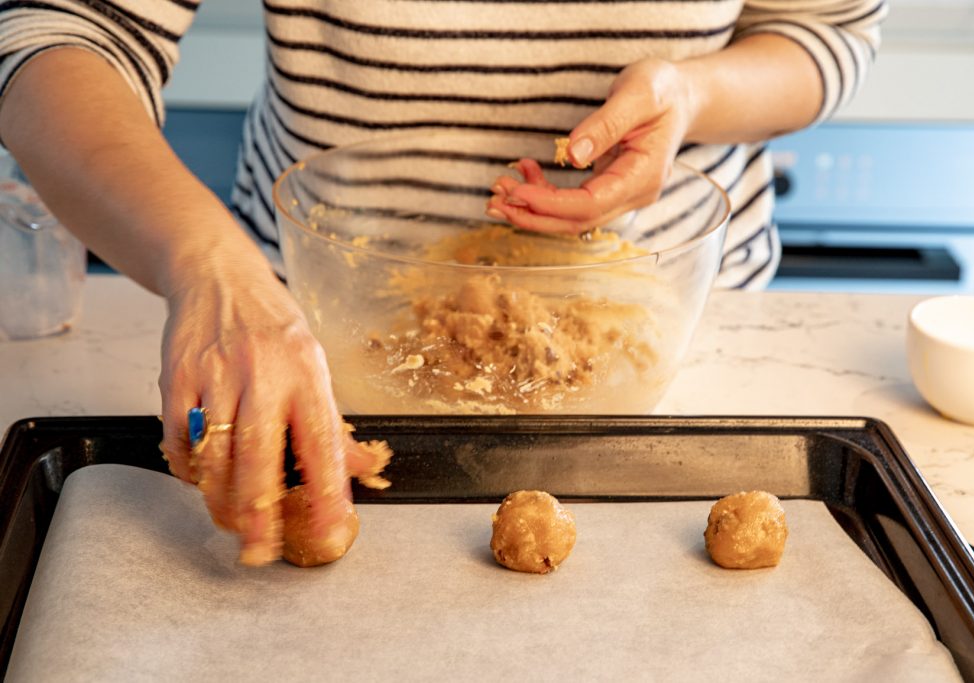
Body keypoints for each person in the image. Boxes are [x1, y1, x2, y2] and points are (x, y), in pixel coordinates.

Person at [0, 1, 886, 565]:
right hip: (305, 327)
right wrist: (207, 264)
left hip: (669, 336)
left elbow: (828, 30)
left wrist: (694, 95)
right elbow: (51, 30)